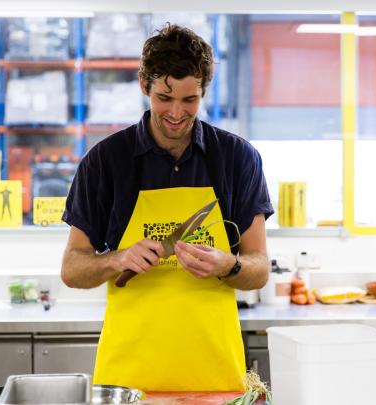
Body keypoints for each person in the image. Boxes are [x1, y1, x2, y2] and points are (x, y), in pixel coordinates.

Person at [61, 24, 273, 392]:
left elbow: (258, 268)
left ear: (204, 91)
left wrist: (229, 265)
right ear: (145, 85)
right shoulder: (106, 162)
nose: (176, 113)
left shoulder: (238, 159)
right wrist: (116, 259)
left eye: (190, 100)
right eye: (164, 97)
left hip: (215, 378)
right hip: (128, 382)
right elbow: (72, 268)